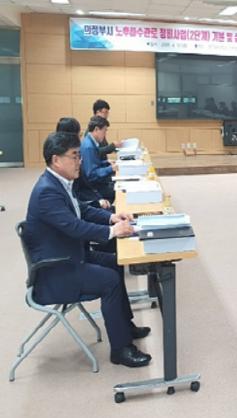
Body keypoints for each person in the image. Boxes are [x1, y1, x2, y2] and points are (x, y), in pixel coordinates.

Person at [25, 132, 152, 367]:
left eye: (79, 156)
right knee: (110, 280)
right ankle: (121, 350)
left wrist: (111, 217)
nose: (79, 162)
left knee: (116, 262)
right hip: (56, 271)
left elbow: (81, 209)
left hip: (70, 255)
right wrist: (113, 231)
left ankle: (125, 327)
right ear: (56, 160)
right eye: (74, 156)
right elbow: (75, 227)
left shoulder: (59, 182)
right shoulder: (47, 192)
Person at [56, 117, 111, 210]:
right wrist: (98, 202)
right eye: (79, 135)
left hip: (85, 199)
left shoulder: (69, 157)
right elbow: (75, 198)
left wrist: (98, 200)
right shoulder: (64, 168)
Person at [80, 116, 116, 203]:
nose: (105, 134)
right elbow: (92, 175)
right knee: (119, 190)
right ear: (96, 129)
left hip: (95, 184)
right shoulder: (89, 147)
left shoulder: (89, 141)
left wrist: (106, 162)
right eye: (104, 131)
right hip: (94, 187)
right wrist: (110, 168)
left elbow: (93, 163)